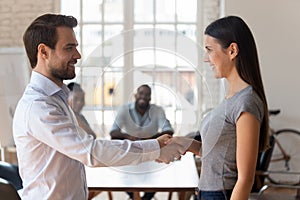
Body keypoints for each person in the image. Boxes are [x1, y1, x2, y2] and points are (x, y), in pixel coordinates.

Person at [12, 13, 185, 200]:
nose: (77, 55)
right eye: (69, 48)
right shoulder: (39, 106)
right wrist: (154, 148)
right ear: (44, 52)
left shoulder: (57, 98)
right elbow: (91, 152)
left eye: (76, 47)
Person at [167, 16, 269, 200]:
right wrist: (185, 144)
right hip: (208, 193)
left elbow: (245, 178)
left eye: (209, 50)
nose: (206, 59)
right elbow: (219, 154)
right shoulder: (231, 99)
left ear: (232, 50)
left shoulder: (246, 102)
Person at [110, 84, 174, 200]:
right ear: (135, 95)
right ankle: (135, 197)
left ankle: (145, 198)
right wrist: (129, 137)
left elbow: (168, 130)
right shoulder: (125, 109)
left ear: (150, 98)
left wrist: (151, 139)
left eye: (147, 94)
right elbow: (113, 132)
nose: (143, 97)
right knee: (126, 177)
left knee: (155, 177)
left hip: (152, 151)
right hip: (131, 150)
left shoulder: (157, 110)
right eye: (141, 93)